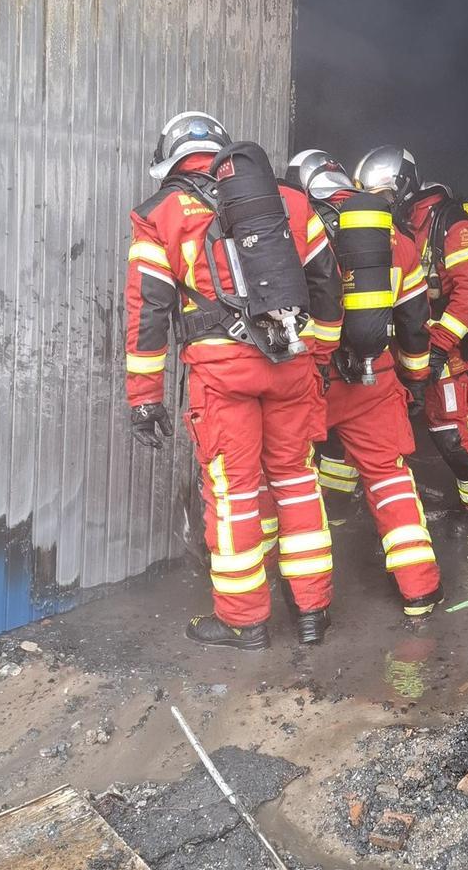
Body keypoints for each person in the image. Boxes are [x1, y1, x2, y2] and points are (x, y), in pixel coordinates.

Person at [124, 112, 342, 651]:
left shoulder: (161, 214)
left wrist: (145, 396)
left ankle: (245, 621)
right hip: (290, 365)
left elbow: (149, 311)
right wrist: (320, 351)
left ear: (170, 158)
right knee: (297, 482)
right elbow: (327, 282)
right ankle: (312, 611)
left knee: (235, 494)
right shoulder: (289, 201)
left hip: (223, 377)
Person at [285, 150, 442, 619]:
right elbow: (416, 323)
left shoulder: (295, 228)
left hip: (313, 377)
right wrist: (415, 379)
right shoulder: (398, 240)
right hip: (377, 377)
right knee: (390, 478)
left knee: (290, 478)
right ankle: (420, 591)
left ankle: (304, 601)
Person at [354, 145, 468, 540]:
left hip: (443, 354)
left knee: (450, 432)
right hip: (401, 349)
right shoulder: (398, 223)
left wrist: (436, 347)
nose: (377, 205)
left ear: (402, 186)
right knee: (369, 426)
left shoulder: (455, 227)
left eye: (382, 196)